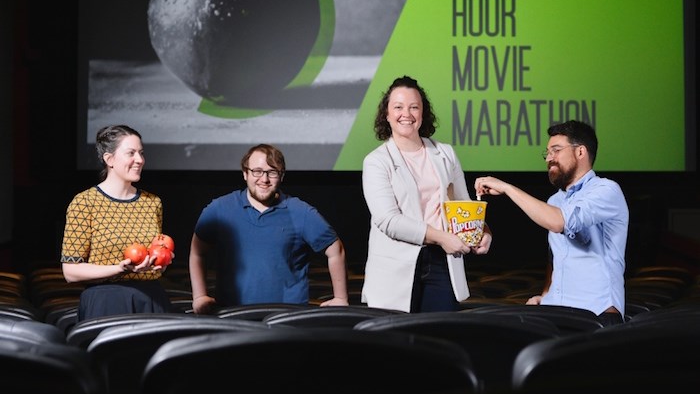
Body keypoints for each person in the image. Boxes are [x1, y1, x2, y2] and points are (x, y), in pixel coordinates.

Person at [474, 120, 629, 326]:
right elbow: (556, 257)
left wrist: (508, 188)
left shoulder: (606, 190)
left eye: (556, 150)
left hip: (597, 314)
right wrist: (547, 295)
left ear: (580, 152)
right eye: (547, 152)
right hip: (558, 311)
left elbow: (560, 222)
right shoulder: (555, 201)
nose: (549, 158)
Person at [361, 75, 492, 313]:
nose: (406, 114)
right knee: (397, 343)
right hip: (396, 264)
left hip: (443, 261)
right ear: (387, 115)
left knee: (441, 338)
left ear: (423, 113)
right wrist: (442, 237)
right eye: (398, 107)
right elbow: (387, 220)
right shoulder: (376, 161)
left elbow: (463, 205)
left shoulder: (445, 153)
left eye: (414, 107)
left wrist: (482, 231)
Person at [189, 143, 349, 313]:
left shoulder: (300, 211)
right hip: (232, 314)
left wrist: (341, 297)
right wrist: (199, 296)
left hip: (287, 316)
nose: (264, 179)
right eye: (257, 171)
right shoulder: (219, 209)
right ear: (245, 174)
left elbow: (335, 250)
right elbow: (197, 252)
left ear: (281, 176)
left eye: (272, 172)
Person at [61, 124, 172, 321]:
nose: (139, 160)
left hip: (152, 299)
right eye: (131, 153)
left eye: (141, 153)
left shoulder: (153, 202)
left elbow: (156, 252)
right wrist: (119, 268)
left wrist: (160, 263)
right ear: (109, 159)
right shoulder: (85, 202)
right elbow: (71, 271)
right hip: (105, 301)